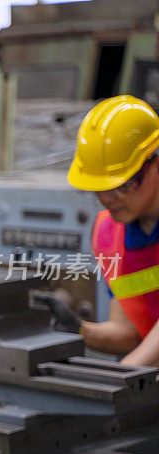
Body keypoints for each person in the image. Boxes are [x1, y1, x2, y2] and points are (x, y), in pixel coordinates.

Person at [42, 95, 159, 366]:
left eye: (122, 184)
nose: (107, 198)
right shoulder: (109, 234)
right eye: (99, 188)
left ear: (155, 164)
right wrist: (79, 329)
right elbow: (129, 332)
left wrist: (120, 381)